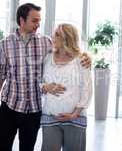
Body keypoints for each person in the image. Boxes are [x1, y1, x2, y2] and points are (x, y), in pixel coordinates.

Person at [0, 3, 91, 151]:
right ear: (21, 20)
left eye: (39, 21)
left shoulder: (46, 43)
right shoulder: (4, 45)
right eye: (34, 20)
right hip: (9, 107)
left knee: (27, 148)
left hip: (33, 110)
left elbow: (69, 49)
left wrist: (86, 56)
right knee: (2, 147)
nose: (38, 25)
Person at [40, 23, 92, 151]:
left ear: (67, 38)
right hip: (50, 116)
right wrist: (45, 87)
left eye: (57, 34)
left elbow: (87, 89)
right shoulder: (47, 58)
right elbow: (38, 81)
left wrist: (75, 114)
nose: (53, 37)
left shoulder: (81, 60)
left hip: (75, 118)